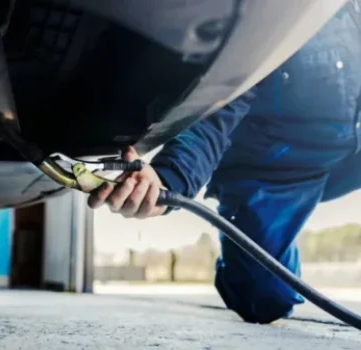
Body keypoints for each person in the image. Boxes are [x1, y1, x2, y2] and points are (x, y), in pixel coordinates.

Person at [88, 3, 361, 324]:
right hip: (270, 179)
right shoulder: (266, 19)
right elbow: (215, 115)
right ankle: (260, 237)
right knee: (264, 300)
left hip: (346, 155)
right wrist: (166, 180)